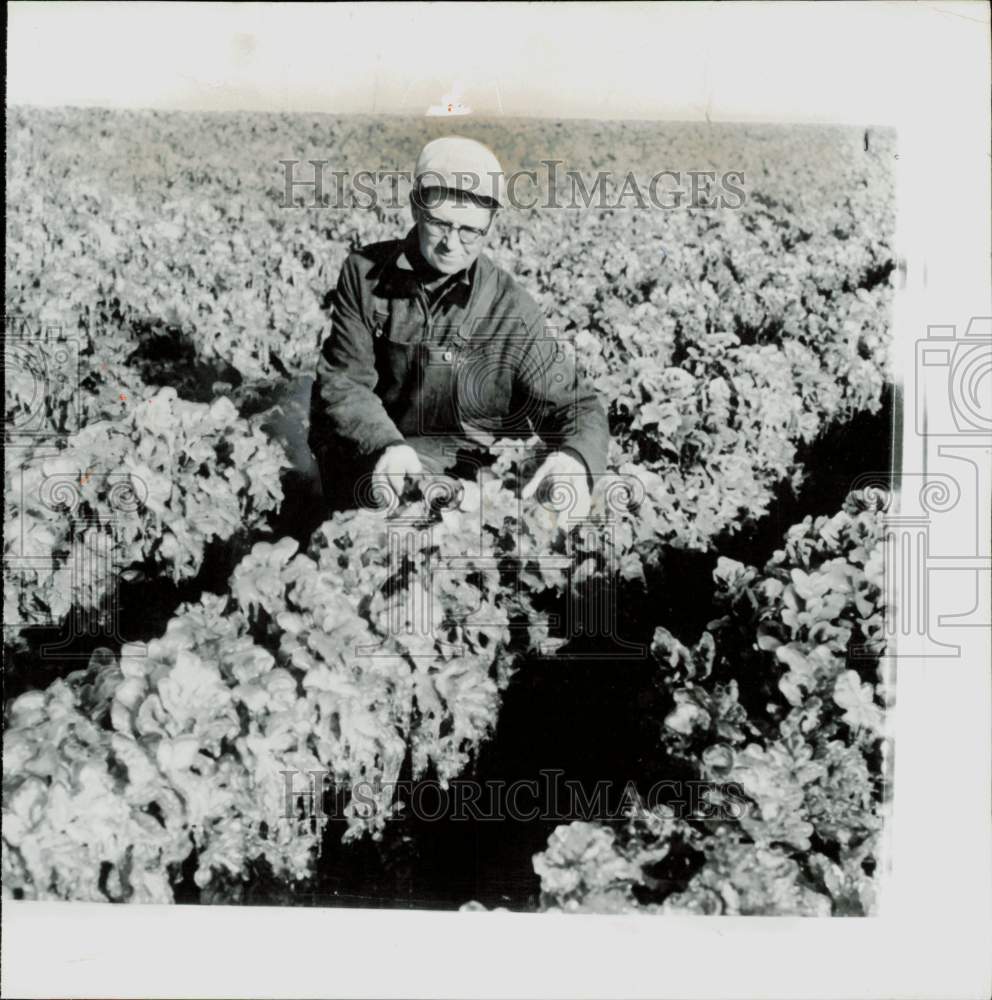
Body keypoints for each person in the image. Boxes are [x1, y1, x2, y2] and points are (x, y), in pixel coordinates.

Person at [309, 136, 609, 518]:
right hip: (382, 450)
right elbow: (344, 381)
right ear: (417, 207)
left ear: (491, 224)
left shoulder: (510, 306)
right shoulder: (364, 274)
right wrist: (386, 445)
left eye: (471, 230)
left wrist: (575, 459)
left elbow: (577, 406)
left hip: (468, 469)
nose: (453, 243)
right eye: (439, 224)